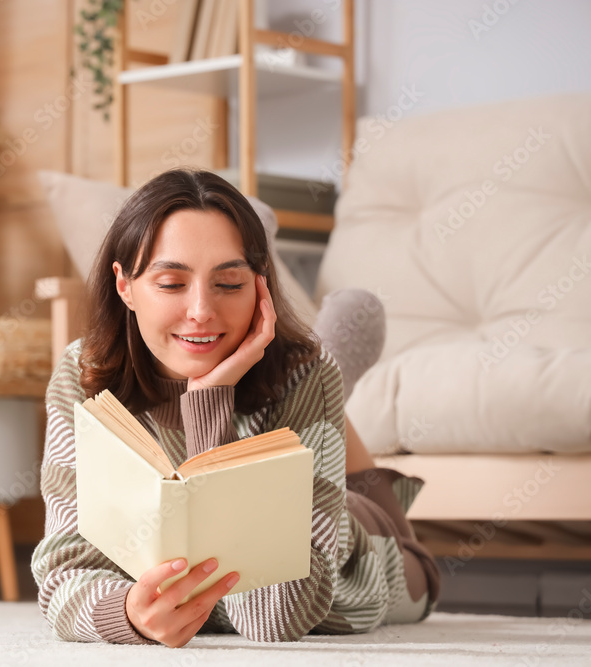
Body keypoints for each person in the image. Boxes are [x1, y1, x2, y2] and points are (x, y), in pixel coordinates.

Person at [30, 168, 440, 648]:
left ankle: (322, 381)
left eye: (228, 283)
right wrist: (127, 614)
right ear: (124, 286)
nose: (201, 310)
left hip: (358, 557)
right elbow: (61, 573)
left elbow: (275, 621)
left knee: (312, 383)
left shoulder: (303, 376)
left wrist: (209, 404)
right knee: (308, 387)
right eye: (170, 283)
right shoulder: (83, 373)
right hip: (285, 405)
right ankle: (321, 389)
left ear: (259, 287)